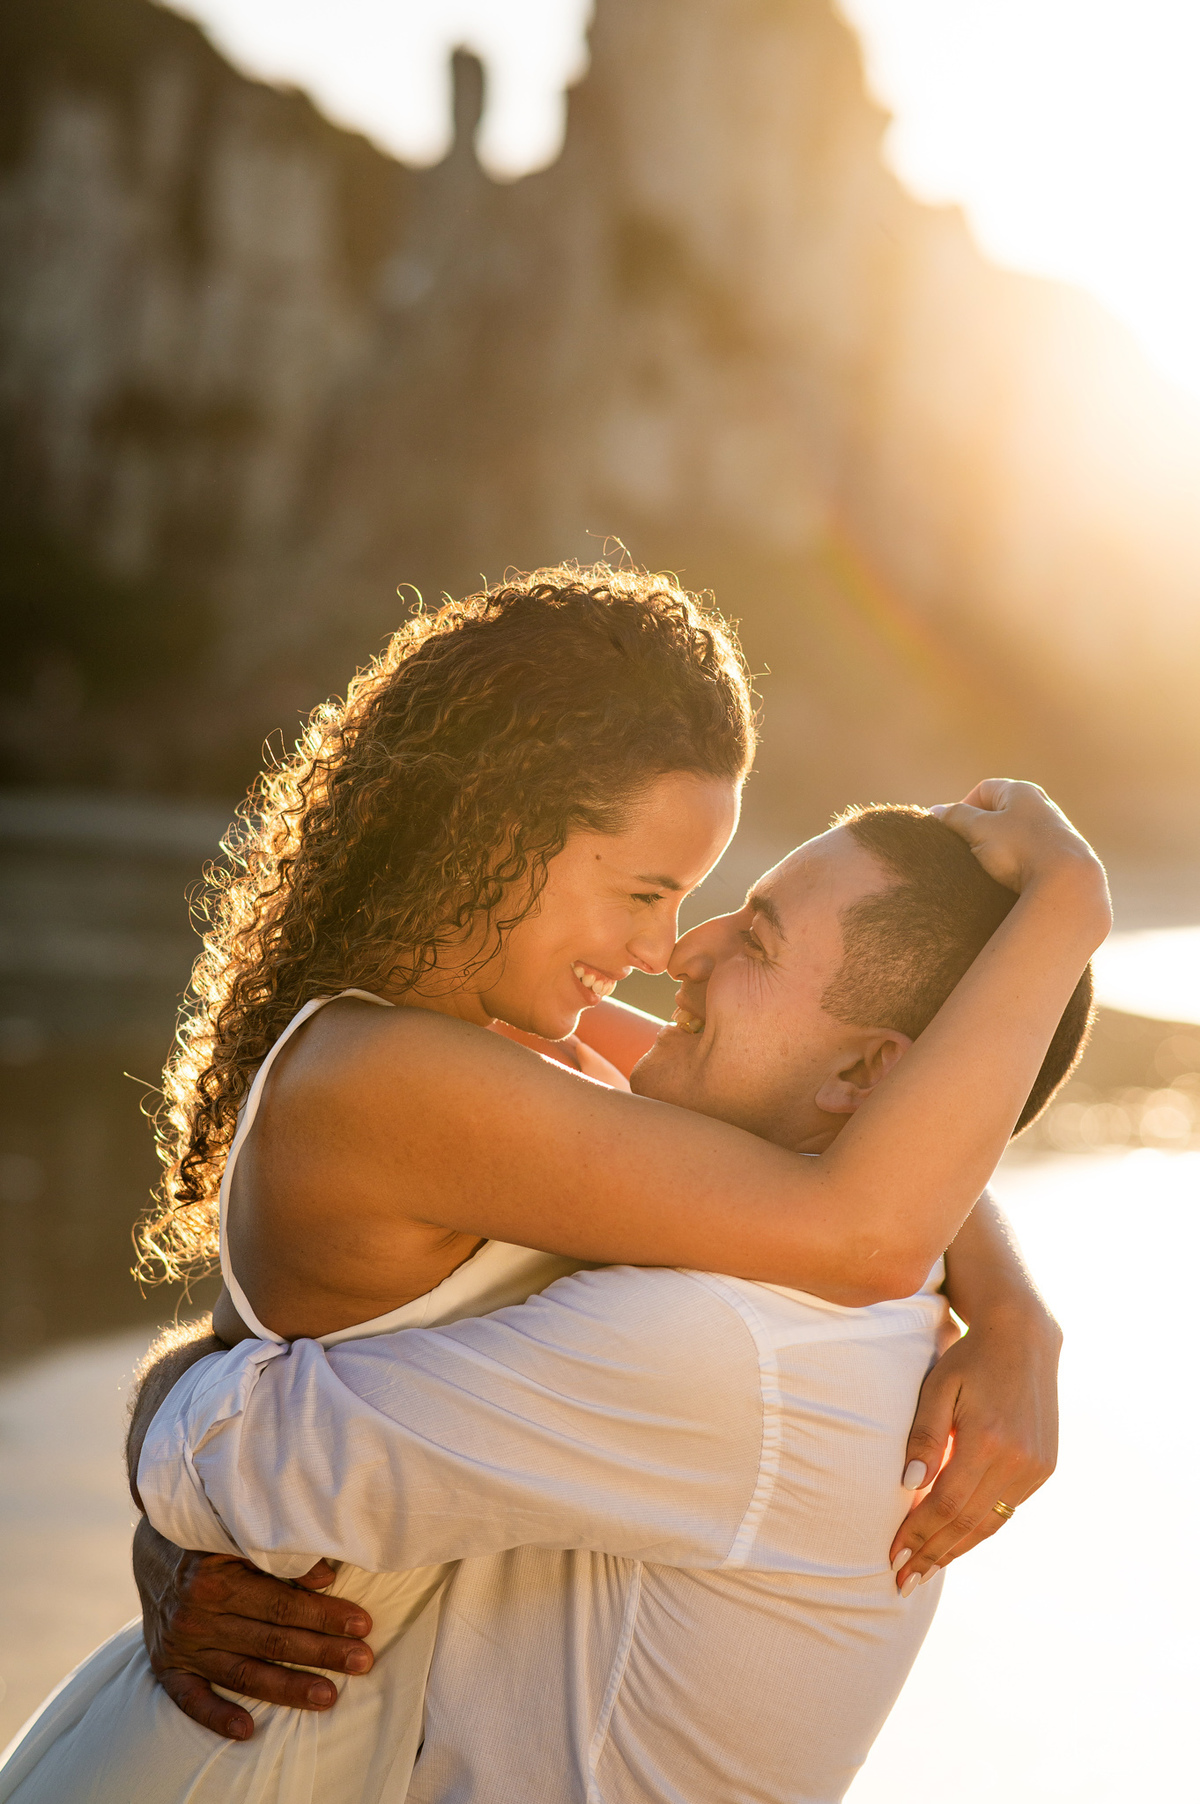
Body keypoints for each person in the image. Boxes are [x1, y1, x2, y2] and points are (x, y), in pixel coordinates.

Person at [0, 793, 1099, 1803]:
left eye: (753, 939)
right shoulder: (826, 1288)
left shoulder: (714, 1344)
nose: (683, 950)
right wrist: (1009, 1298)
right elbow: (575, 1050)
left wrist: (176, 1431)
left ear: (863, 1080)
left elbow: (235, 1465)